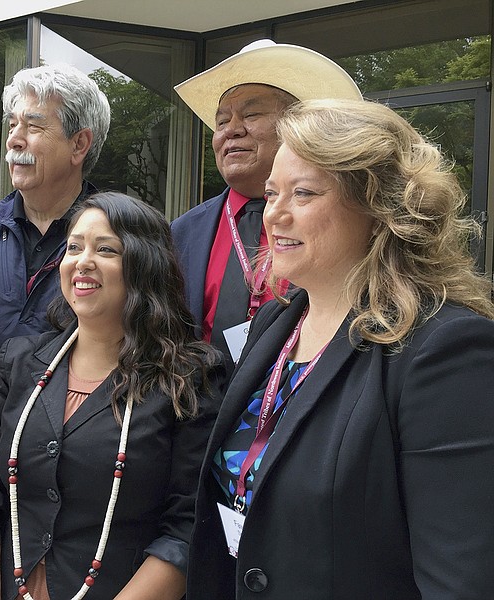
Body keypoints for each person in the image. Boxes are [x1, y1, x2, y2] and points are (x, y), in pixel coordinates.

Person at [187, 99, 494, 599]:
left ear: (379, 206)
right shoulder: (276, 323)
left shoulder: (444, 350)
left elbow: (461, 580)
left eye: (303, 193)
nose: (275, 214)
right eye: (271, 193)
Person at [0, 192, 226, 600]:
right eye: (74, 247)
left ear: (144, 265)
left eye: (106, 250)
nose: (82, 261)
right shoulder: (22, 361)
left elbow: (187, 528)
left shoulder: (189, 377)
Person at [171, 40, 361, 365]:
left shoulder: (344, 224)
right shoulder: (182, 233)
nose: (230, 131)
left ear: (296, 125)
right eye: (221, 121)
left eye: (251, 114)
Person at [0, 63, 111, 401]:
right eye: (13, 125)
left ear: (79, 144)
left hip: (74, 447)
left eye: (33, 126)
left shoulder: (121, 242)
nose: (13, 140)